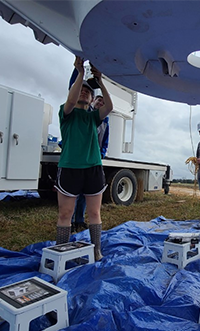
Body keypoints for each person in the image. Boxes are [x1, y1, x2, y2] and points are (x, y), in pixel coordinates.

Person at [55, 56, 113, 261]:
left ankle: (96, 250)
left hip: (93, 169)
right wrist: (80, 73)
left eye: (89, 91)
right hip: (70, 168)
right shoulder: (66, 113)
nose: (85, 92)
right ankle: (60, 252)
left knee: (95, 213)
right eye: (82, 89)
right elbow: (71, 100)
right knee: (65, 214)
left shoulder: (93, 117)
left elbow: (109, 108)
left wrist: (101, 81)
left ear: (92, 100)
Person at [70, 94, 110, 232]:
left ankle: (79, 220)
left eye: (103, 102)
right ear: (93, 100)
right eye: (99, 100)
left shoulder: (105, 122)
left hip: (93, 161)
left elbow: (104, 142)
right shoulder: (83, 113)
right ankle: (68, 223)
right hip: (78, 159)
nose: (101, 103)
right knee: (72, 193)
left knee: (85, 195)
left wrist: (100, 155)